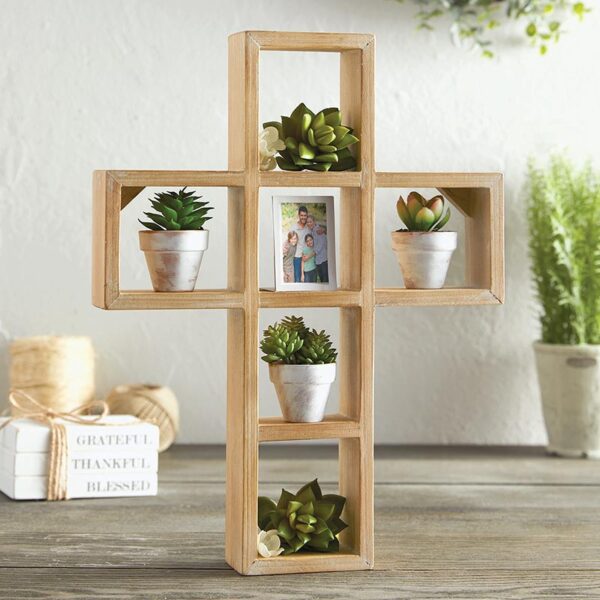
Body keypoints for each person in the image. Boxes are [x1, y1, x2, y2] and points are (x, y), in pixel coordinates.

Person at [291, 206, 308, 283]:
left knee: (307, 280)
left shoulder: (309, 226)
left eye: (305, 215)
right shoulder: (294, 227)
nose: (303, 217)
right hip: (297, 257)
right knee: (297, 279)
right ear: (299, 216)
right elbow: (289, 241)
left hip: (307, 257)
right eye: (301, 215)